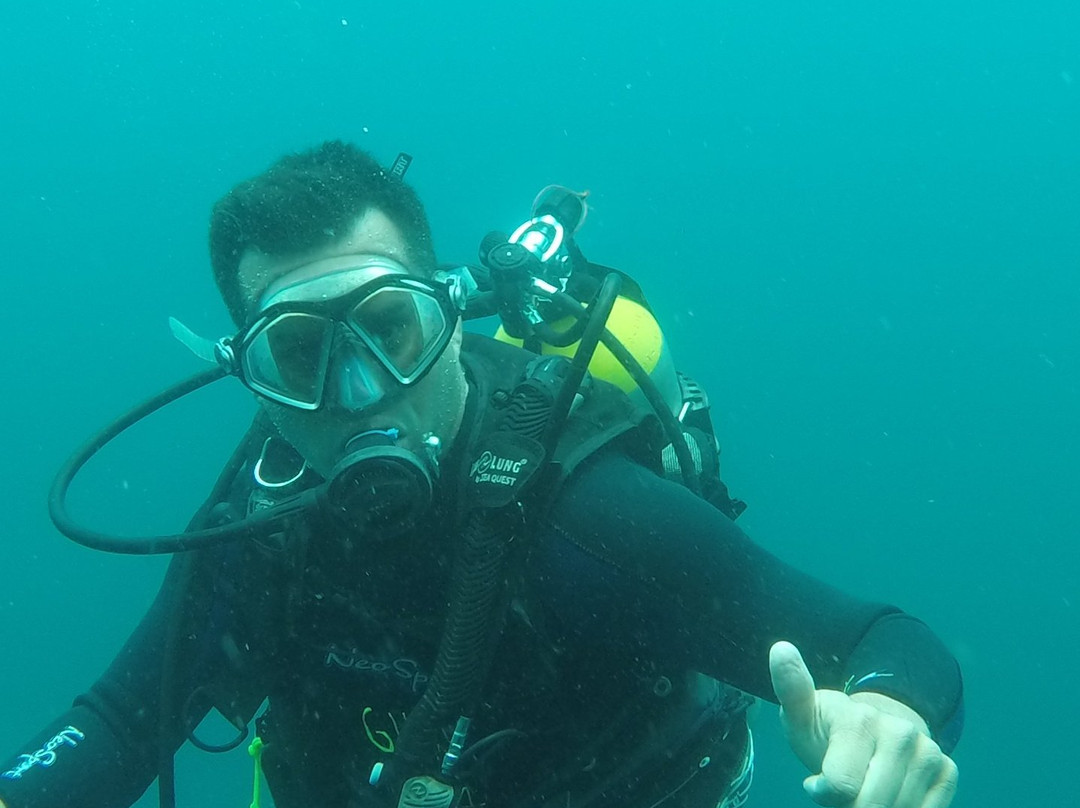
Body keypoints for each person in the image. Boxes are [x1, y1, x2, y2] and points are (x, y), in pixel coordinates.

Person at [0, 141, 962, 808]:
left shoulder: (586, 520)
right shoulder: (261, 529)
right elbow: (122, 725)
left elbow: (884, 640)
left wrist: (886, 711)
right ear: (253, 375)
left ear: (451, 317)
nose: (360, 392)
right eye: (300, 354)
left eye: (388, 328)